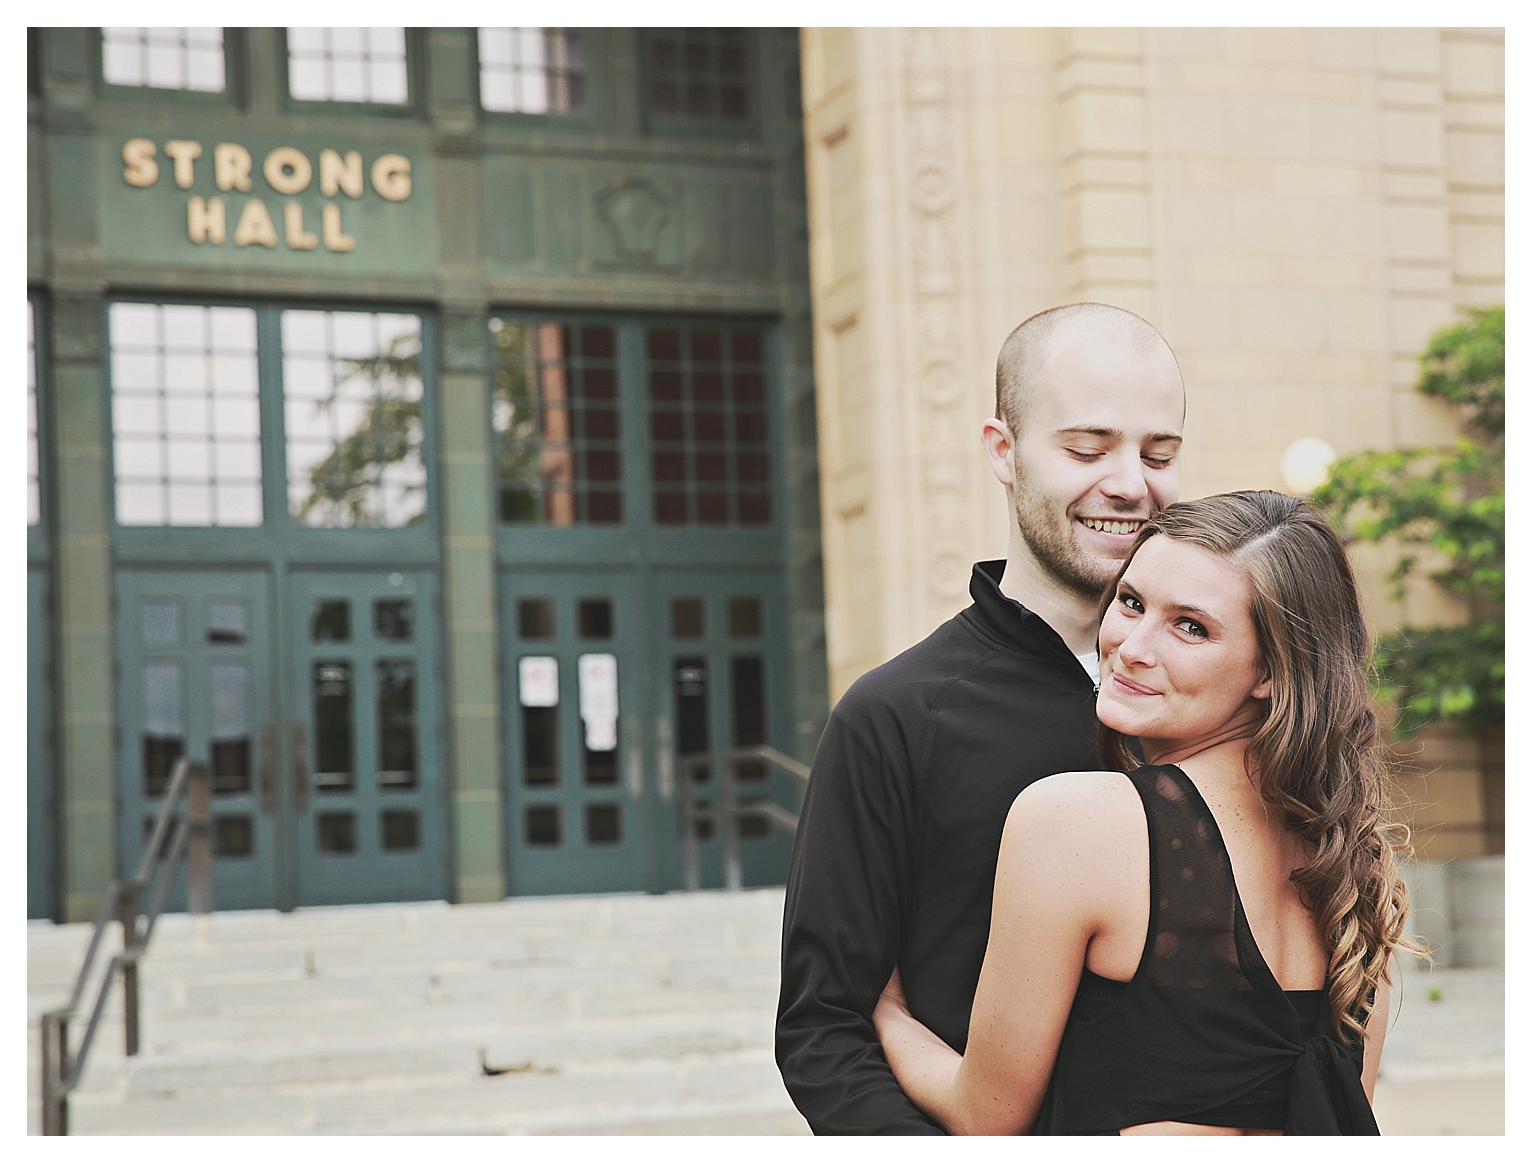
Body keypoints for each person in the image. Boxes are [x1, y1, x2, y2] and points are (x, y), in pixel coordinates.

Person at [872, 491, 1419, 1135]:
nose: (1131, 646)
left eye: (1191, 627)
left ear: (1272, 671)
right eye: (1131, 602)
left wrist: (886, 1015)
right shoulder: (1354, 863)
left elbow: (986, 1118)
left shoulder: (1076, 822)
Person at [776, 302, 1187, 1134]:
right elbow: (826, 1028)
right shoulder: (894, 715)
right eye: (1087, 448)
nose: (1130, 483)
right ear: (1004, 451)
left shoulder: (1226, 691)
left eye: (1159, 453)